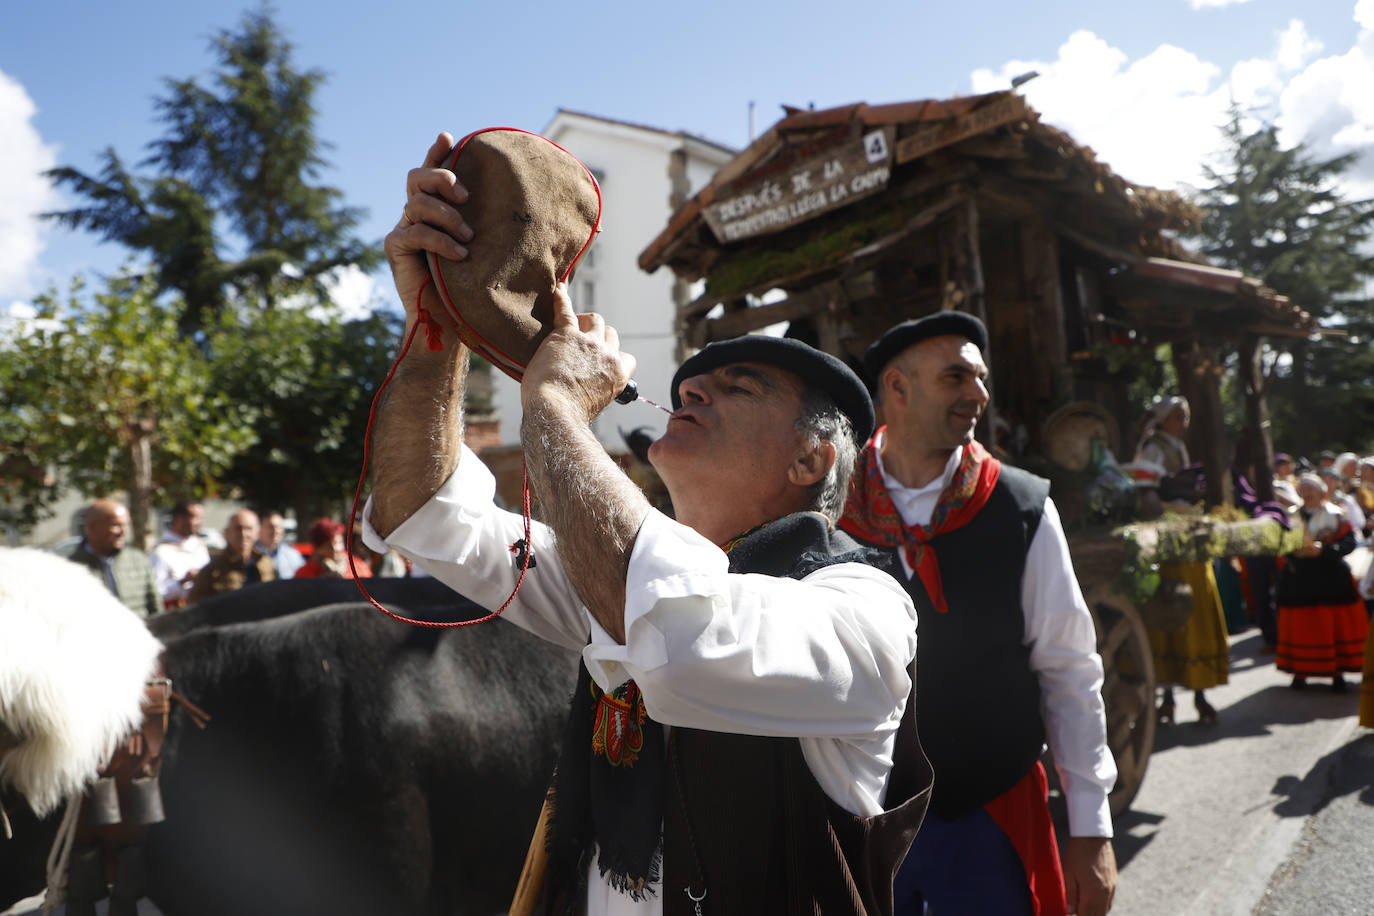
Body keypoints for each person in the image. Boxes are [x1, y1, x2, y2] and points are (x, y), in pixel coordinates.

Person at [359, 131, 930, 914]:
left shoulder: (864, 611)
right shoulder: (610, 571)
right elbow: (420, 509)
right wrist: (438, 326)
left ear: (810, 462)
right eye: (691, 383)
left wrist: (556, 406)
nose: (692, 390)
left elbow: (679, 634)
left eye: (739, 386)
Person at [840, 312, 1117, 916]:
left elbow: (1069, 669)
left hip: (992, 817)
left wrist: (1091, 825)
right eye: (956, 376)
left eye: (981, 378)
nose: (979, 395)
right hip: (858, 817)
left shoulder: (1020, 506)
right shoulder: (832, 507)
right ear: (897, 387)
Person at [1131, 395, 1229, 726]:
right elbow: (1145, 491)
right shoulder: (1155, 448)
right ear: (1162, 420)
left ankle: (1198, 692)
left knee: (1196, 607)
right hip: (1171, 542)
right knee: (1173, 611)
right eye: (1177, 417)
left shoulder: (1175, 445)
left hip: (1187, 536)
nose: (1183, 423)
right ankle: (1170, 697)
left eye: (1185, 417)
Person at [1275, 474, 1370, 691]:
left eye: (1312, 489)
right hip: (1299, 580)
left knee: (1332, 625)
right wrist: (1292, 553)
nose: (1308, 494)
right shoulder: (1291, 517)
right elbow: (1280, 544)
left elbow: (1349, 543)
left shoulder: (1336, 515)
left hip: (1330, 580)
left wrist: (1325, 551)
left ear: (1322, 493)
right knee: (1301, 626)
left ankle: (1337, 673)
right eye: (1304, 490)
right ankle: (1300, 671)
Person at [65, 498, 163, 619]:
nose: (122, 531)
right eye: (116, 525)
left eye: (125, 525)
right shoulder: (70, 568)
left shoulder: (138, 560)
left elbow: (155, 608)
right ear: (91, 527)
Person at [187, 509, 276, 603]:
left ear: (257, 533)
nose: (243, 534)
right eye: (238, 528)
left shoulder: (266, 564)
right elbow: (194, 606)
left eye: (248, 528)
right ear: (228, 532)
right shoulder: (212, 570)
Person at [149, 500, 211, 608]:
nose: (199, 523)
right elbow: (156, 592)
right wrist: (183, 581)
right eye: (195, 517)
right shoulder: (161, 552)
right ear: (179, 518)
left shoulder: (200, 547)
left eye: (201, 518)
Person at [294, 518, 373, 579]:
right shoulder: (305, 573)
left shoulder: (359, 568)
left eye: (338, 543)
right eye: (328, 546)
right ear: (318, 548)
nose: (336, 549)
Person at [257, 509, 305, 580]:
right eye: (270, 527)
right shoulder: (250, 554)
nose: (275, 531)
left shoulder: (293, 555)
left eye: (278, 527)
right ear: (260, 528)